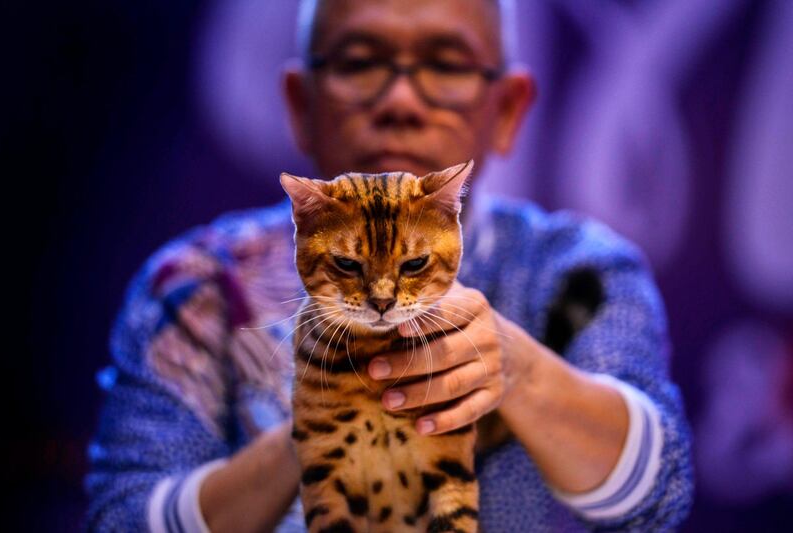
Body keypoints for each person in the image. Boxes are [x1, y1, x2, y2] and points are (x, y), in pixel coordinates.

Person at [84, 0, 694, 531]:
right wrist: (321, 427)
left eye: (447, 64)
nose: (400, 100)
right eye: (357, 61)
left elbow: (660, 494)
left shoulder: (575, 266)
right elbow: (122, 518)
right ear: (300, 105)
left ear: (507, 109)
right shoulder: (200, 285)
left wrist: (521, 373)